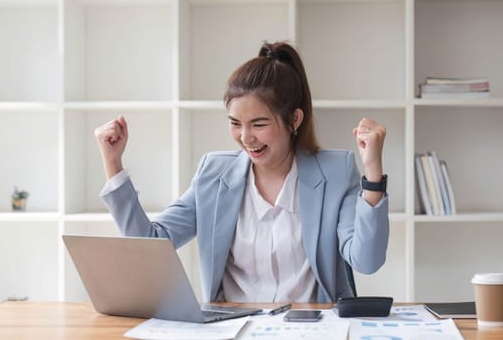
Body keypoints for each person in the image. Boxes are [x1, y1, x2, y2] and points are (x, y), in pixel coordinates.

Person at [94, 41, 389, 303]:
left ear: (294, 119)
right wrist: (113, 164)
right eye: (235, 123)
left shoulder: (336, 171)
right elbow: (150, 245)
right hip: (233, 328)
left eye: (259, 124)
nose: (246, 138)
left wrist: (373, 171)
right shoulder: (214, 174)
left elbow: (366, 260)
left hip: (312, 327)